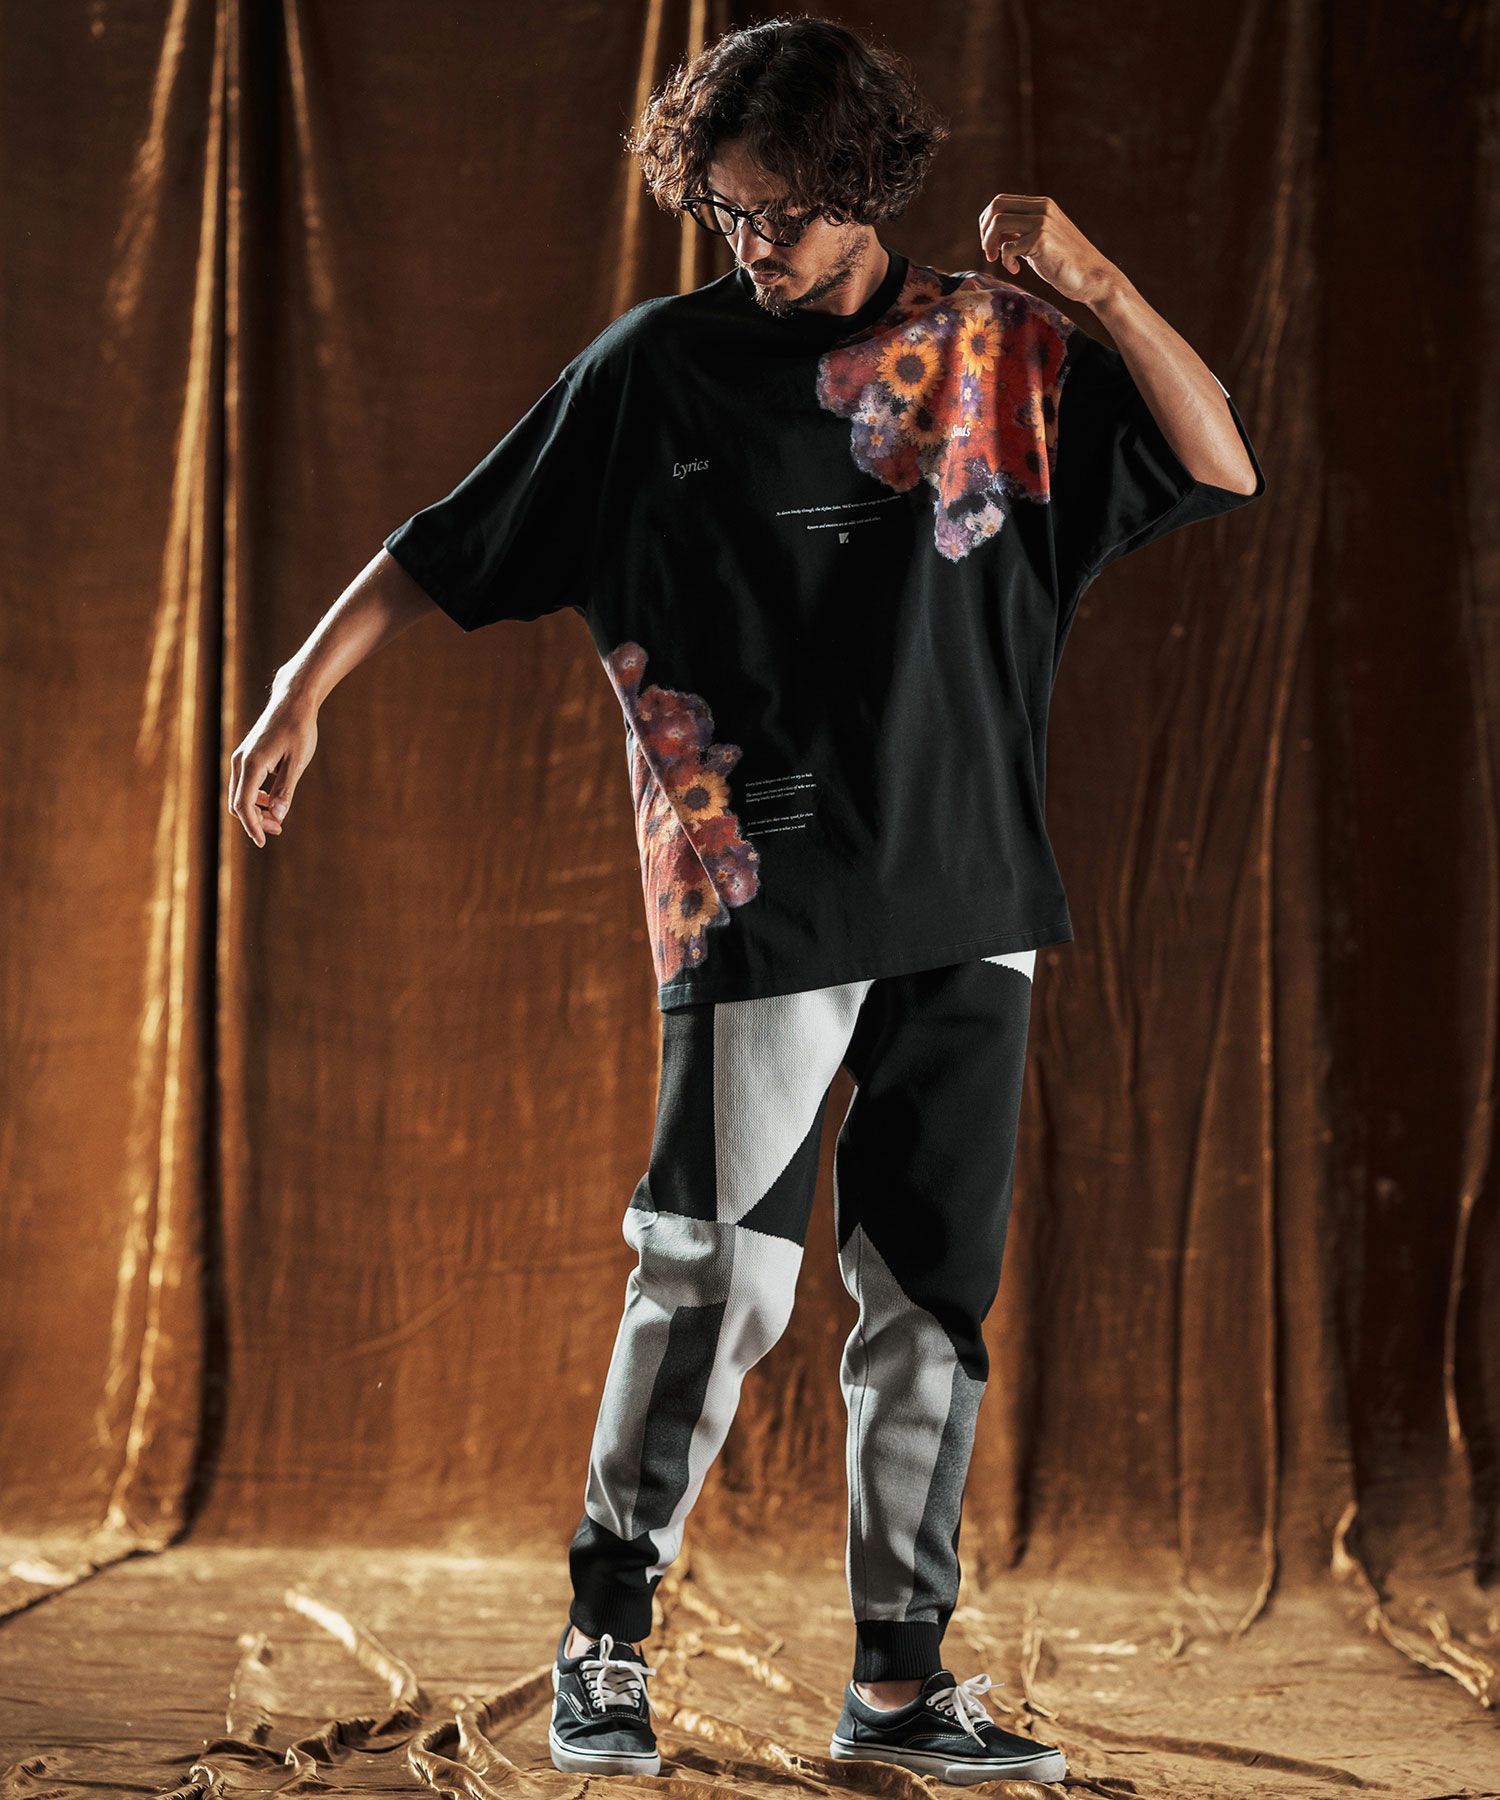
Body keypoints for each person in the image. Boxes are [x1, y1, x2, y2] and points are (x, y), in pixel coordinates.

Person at [227, 15, 1264, 1788]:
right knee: (713, 1279)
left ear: (864, 183)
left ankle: (896, 1692)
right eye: (724, 212)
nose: (752, 245)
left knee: (928, 1309)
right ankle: (604, 1647)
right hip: (756, 894)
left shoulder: (999, 351)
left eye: (780, 211)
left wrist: (1092, 281)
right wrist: (296, 689)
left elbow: (1220, 456)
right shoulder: (659, 368)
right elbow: (448, 538)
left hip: (971, 895)